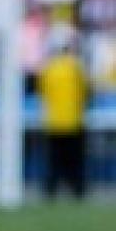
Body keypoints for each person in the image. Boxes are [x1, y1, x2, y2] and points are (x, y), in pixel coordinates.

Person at [38, 27, 90, 200]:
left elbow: (43, 92)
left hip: (53, 122)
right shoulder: (75, 68)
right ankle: (77, 190)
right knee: (74, 161)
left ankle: (51, 191)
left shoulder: (48, 69)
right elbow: (85, 92)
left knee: (54, 161)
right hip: (73, 120)